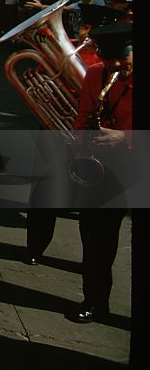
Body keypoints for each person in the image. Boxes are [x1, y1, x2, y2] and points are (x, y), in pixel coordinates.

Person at [70, 23, 133, 323]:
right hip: (100, 167)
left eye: (123, 60)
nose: (116, 67)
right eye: (109, 61)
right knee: (94, 238)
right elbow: (83, 117)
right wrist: (80, 149)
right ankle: (94, 300)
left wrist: (123, 139)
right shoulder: (96, 75)